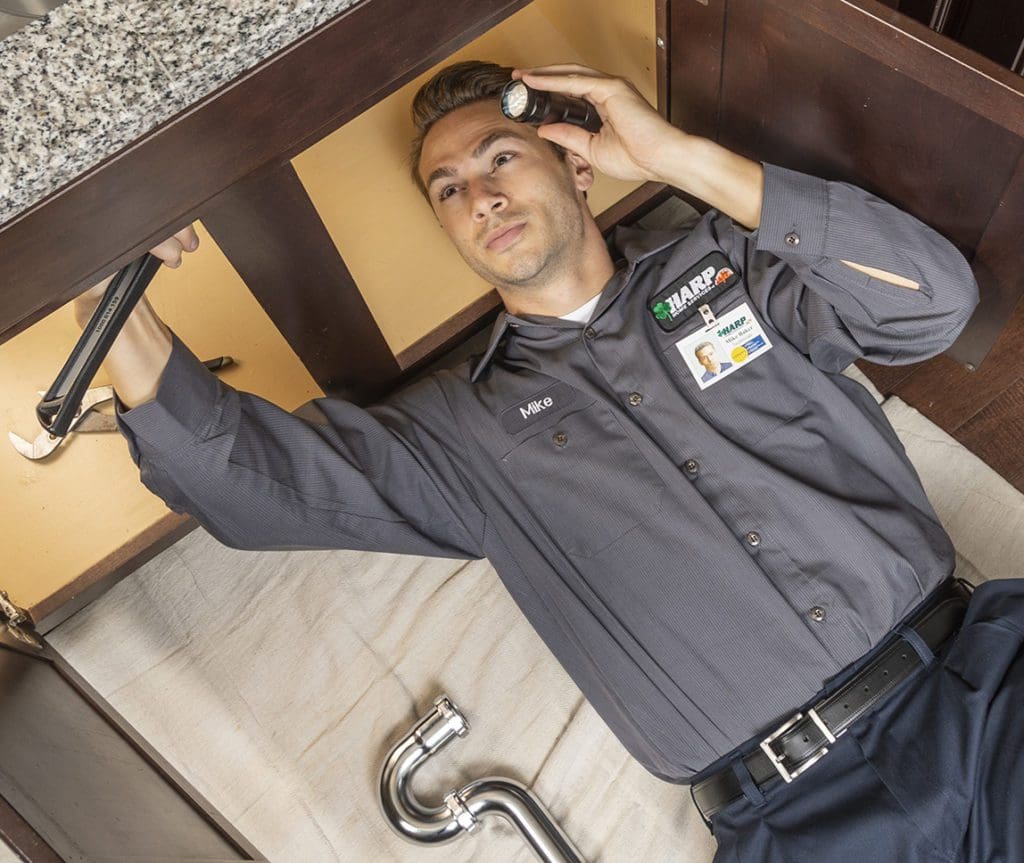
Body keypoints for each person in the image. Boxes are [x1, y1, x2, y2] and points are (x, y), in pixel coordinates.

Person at [76, 61, 1023, 862]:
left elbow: (931, 304)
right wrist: (109, 288)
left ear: (575, 168)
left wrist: (681, 159)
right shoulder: (458, 434)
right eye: (448, 189)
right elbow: (237, 479)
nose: (480, 194)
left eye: (501, 157)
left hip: (980, 689)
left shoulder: (730, 263)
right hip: (804, 823)